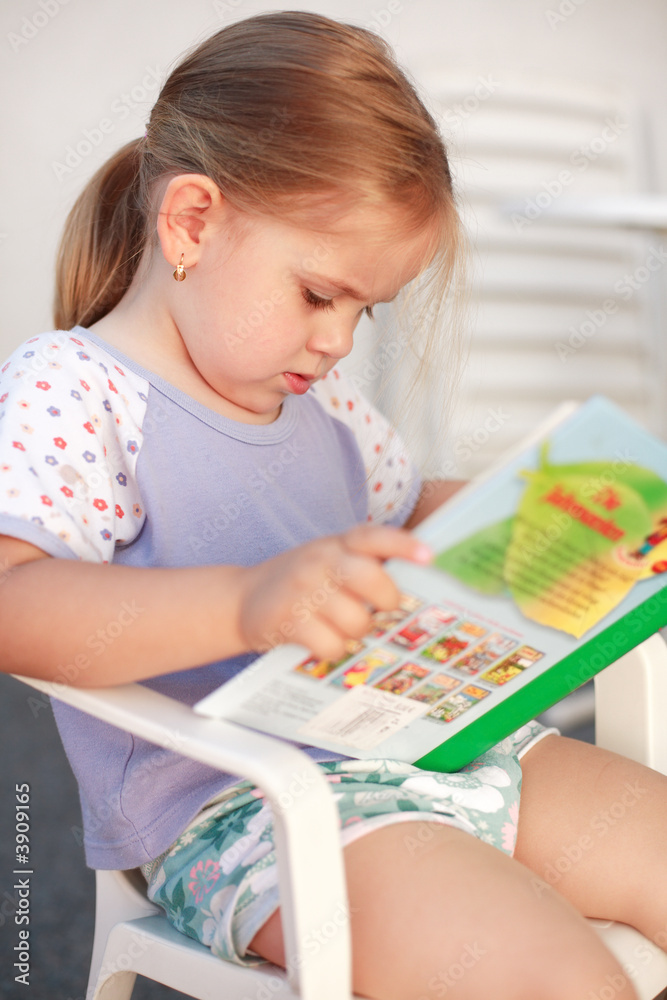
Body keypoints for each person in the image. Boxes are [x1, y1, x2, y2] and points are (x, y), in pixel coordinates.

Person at [0, 12, 665, 1000]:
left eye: (365, 309)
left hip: (436, 742)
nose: (338, 341)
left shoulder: (324, 402)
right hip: (251, 811)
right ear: (190, 223)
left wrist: (563, 520)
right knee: (552, 977)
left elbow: (405, 514)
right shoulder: (77, 392)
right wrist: (240, 602)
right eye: (319, 294)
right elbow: (15, 605)